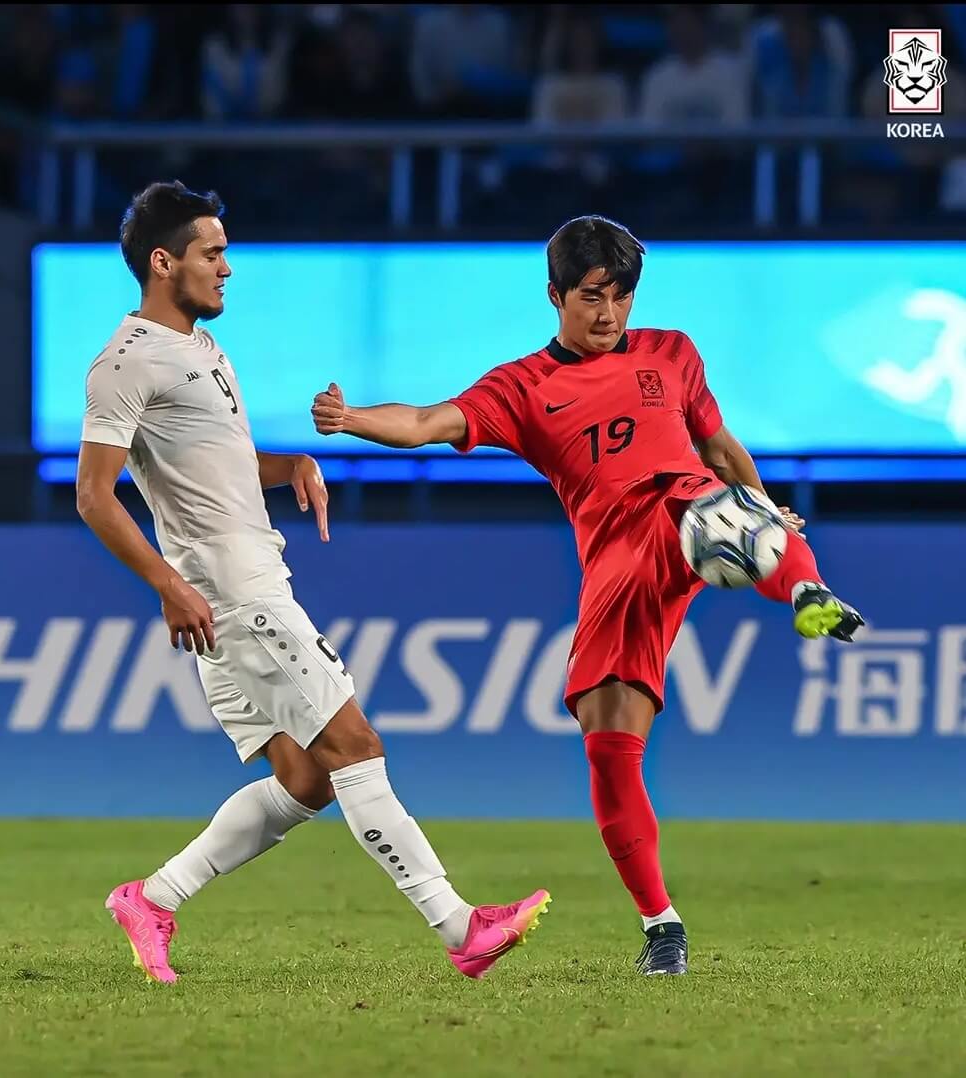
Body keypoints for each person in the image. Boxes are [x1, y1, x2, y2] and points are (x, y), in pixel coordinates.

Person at [311, 215, 864, 977]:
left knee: (724, 511)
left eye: (621, 296)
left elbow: (719, 448)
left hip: (685, 505)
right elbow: (426, 422)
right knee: (607, 747)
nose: (608, 314)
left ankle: (806, 589)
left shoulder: (671, 353)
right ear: (555, 296)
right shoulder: (523, 387)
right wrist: (350, 420)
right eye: (591, 297)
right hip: (616, 559)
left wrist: (762, 504)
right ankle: (661, 927)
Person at [75, 181, 550, 984]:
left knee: (304, 778)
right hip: (230, 593)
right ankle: (459, 925)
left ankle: (153, 898)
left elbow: (211, 467)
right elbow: (94, 494)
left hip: (241, 583)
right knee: (354, 745)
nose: (228, 267)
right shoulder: (125, 364)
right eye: (211, 253)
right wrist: (168, 584)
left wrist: (289, 464)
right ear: (163, 262)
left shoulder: (198, 347)